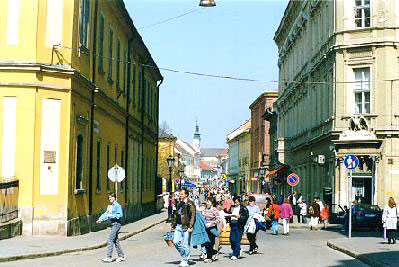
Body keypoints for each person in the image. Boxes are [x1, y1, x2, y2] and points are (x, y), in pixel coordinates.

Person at [96, 193, 125, 263]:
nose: (110, 199)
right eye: (109, 198)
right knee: (115, 240)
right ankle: (121, 256)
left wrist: (111, 215)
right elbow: (106, 214)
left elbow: (120, 214)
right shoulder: (110, 206)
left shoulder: (117, 206)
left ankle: (109, 257)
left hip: (117, 224)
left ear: (115, 198)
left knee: (110, 239)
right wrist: (100, 219)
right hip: (112, 224)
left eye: (111, 197)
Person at [171, 189, 196, 267]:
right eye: (180, 194)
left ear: (186, 195)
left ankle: (185, 260)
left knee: (186, 244)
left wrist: (190, 226)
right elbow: (176, 214)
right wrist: (173, 224)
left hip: (186, 226)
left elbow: (193, 216)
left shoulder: (190, 203)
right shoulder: (180, 203)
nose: (180, 195)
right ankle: (185, 256)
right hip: (178, 225)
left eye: (181, 194)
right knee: (175, 242)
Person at [228, 196, 249, 260]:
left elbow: (246, 216)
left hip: (239, 225)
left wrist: (240, 217)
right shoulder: (232, 207)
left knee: (237, 239)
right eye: (235, 202)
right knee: (232, 239)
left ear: (239, 202)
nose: (236, 203)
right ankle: (238, 249)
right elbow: (228, 213)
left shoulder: (243, 208)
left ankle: (235, 254)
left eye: (237, 202)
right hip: (232, 224)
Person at [202, 198, 221, 263]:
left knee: (210, 243)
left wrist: (211, 223)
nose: (207, 203)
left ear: (212, 203)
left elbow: (218, 219)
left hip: (212, 228)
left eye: (209, 202)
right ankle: (214, 252)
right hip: (206, 228)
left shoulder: (214, 210)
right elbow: (204, 218)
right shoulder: (206, 209)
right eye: (207, 201)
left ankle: (209, 257)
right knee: (206, 243)